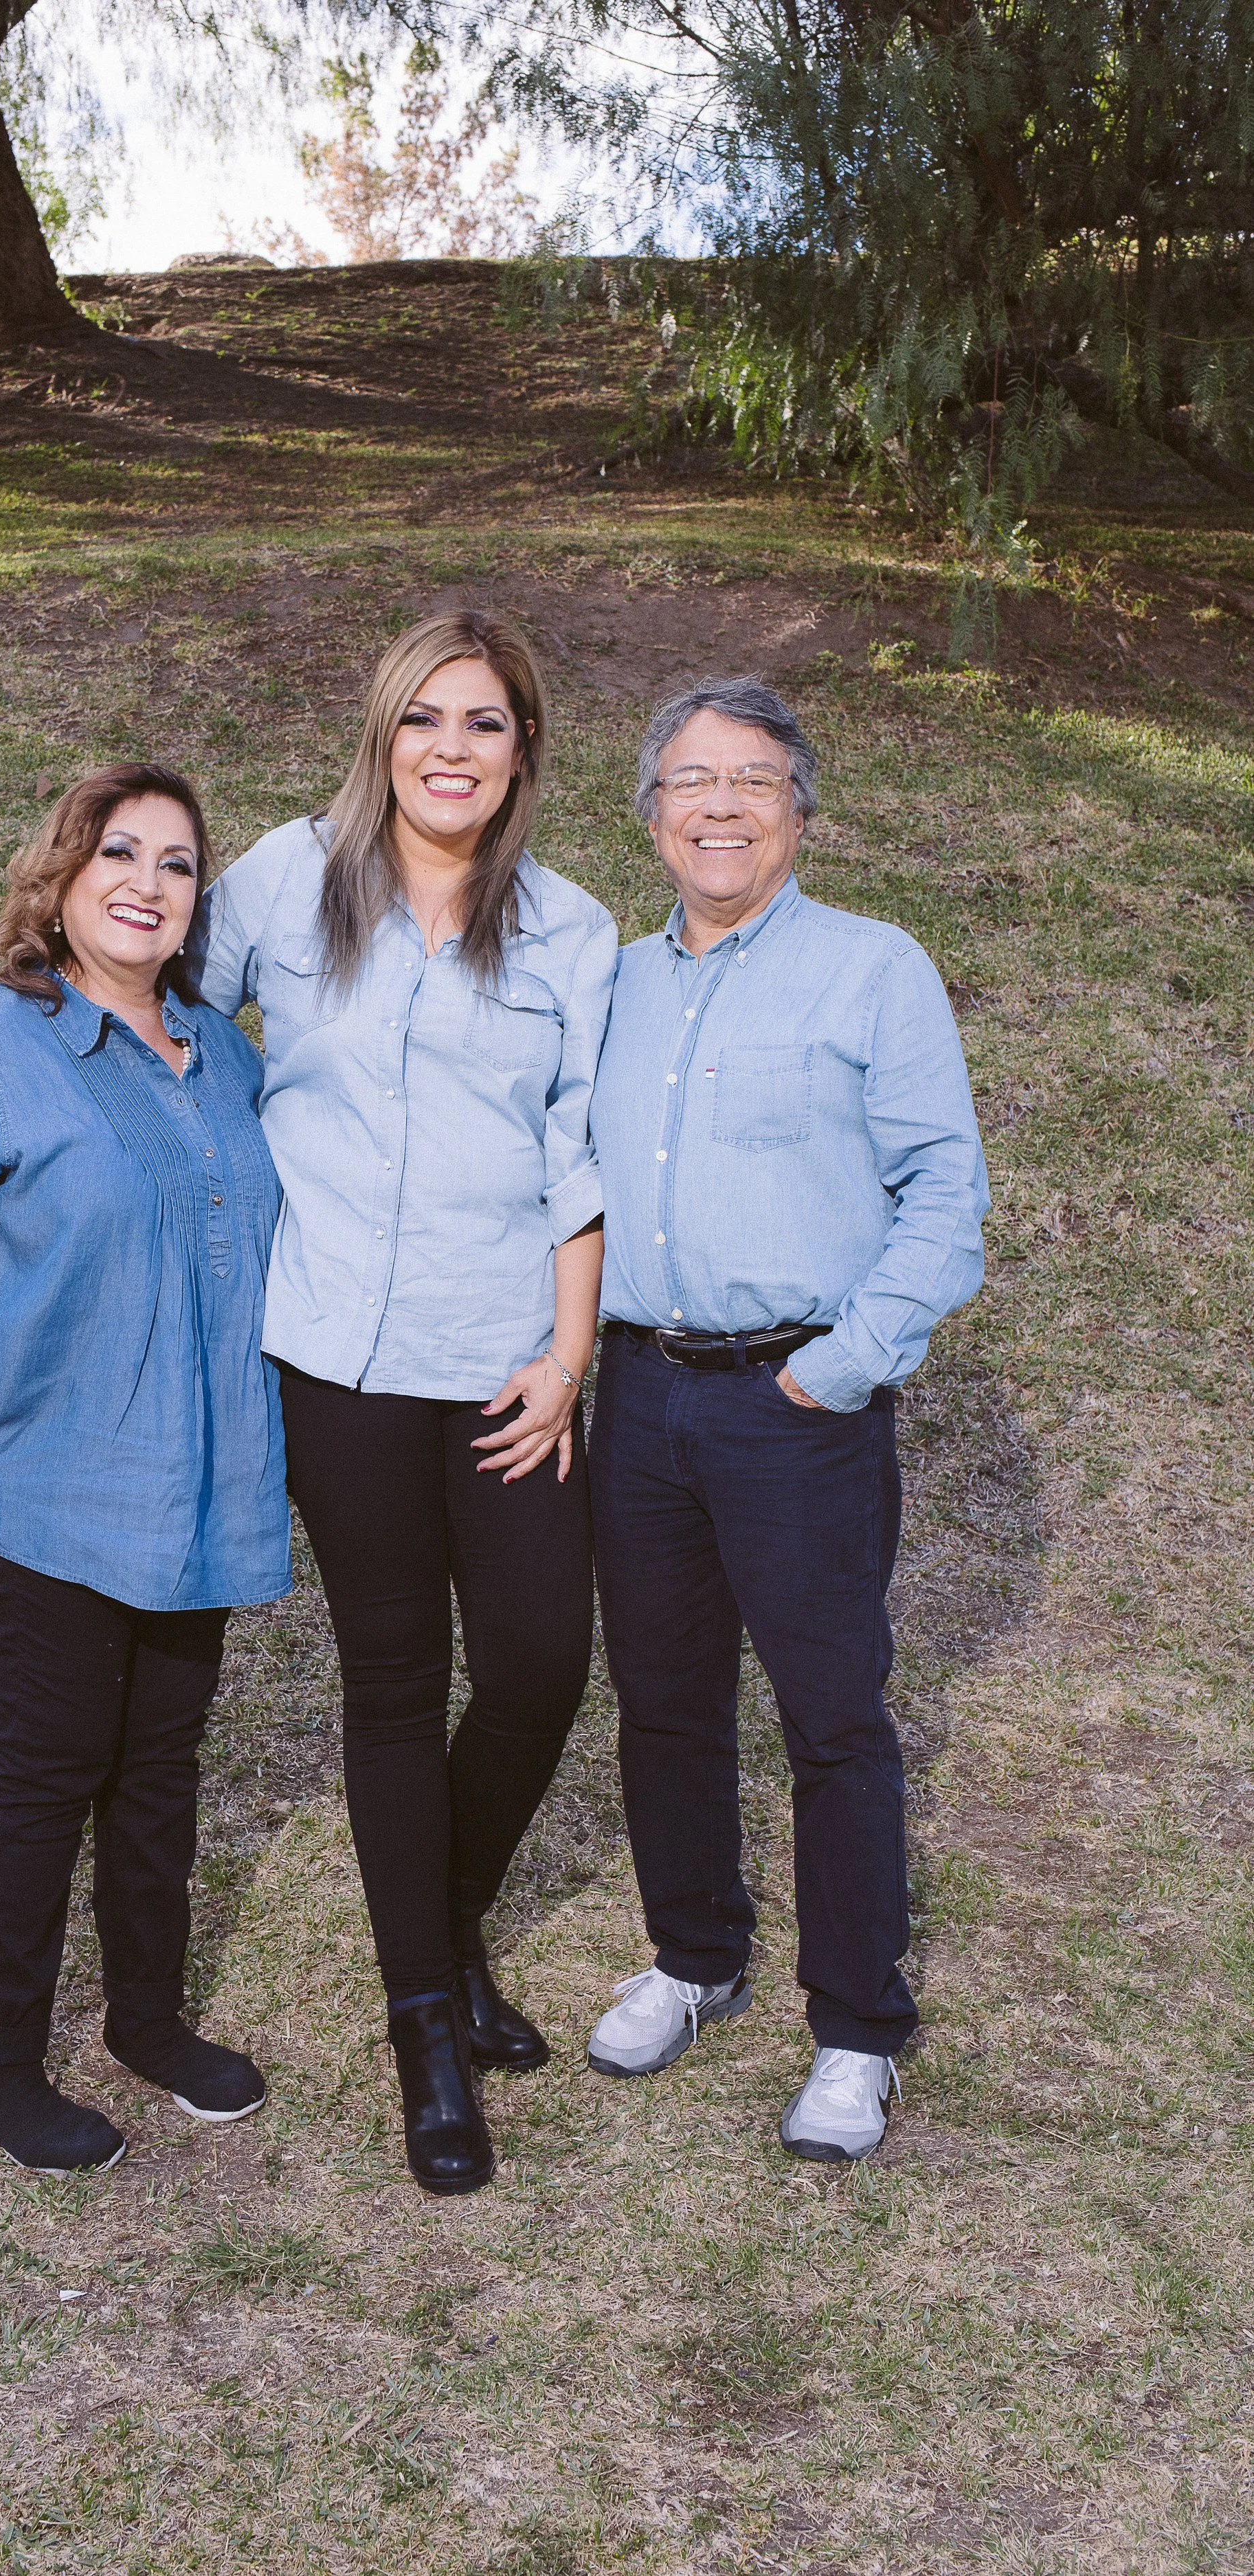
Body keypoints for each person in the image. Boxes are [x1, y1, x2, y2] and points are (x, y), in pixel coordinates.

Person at [200, 611, 618, 2197]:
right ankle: (426, 2028)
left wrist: (568, 1353)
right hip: (335, 1361)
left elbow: (577, 1155)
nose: (452, 748)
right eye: (425, 718)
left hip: (504, 1355)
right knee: (392, 1683)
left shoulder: (570, 933)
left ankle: (436, 1927)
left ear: (522, 752)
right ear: (382, 733)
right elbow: (166, 1009)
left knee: (533, 1669)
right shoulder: (283, 879)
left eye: (486, 724)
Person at [0, 763, 290, 2175]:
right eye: (120, 852)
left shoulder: (223, 1054)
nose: (147, 883)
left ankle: (146, 2025)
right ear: (61, 874)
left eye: (175, 864)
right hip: (41, 1488)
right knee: (49, 1768)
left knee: (161, 1768)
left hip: (200, 1493)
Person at [585, 675, 989, 2161]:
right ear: (649, 820)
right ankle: (693, 1959)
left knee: (831, 1719)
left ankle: (851, 2028)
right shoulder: (610, 982)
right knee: (664, 1703)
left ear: (797, 813)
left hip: (795, 1401)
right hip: (634, 1398)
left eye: (750, 779)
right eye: (687, 778)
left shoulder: (871, 971)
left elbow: (944, 1196)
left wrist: (845, 1359)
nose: (717, 803)